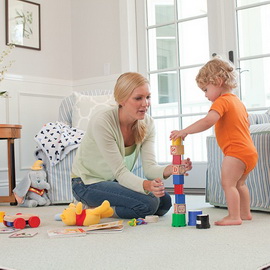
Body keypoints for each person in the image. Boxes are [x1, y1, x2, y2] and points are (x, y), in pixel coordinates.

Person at [71, 72, 192, 219]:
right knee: (149, 204)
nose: (145, 103)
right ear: (121, 100)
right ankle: (92, 210)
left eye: (148, 97)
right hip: (86, 183)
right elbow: (121, 172)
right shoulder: (103, 121)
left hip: (112, 181)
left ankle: (103, 206)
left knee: (164, 202)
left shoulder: (148, 123)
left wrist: (173, 168)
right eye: (138, 98)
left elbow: (150, 168)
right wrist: (147, 186)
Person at [170, 57, 258, 226]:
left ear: (218, 81)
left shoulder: (222, 101)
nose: (205, 95)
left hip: (235, 152)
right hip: (249, 152)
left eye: (206, 89)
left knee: (228, 183)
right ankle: (245, 213)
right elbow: (246, 123)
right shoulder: (238, 102)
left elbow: (208, 121)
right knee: (240, 183)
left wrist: (185, 131)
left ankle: (234, 216)